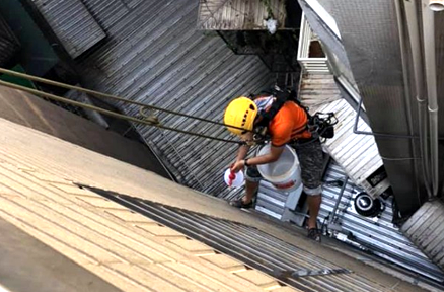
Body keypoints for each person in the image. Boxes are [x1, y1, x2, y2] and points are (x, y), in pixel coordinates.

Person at [223, 91, 324, 241]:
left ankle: (312, 224)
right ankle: (247, 200)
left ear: (255, 120)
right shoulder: (251, 107)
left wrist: (244, 162)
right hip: (281, 136)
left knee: (312, 185)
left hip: (304, 140)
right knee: (252, 170)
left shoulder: (281, 122)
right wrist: (239, 160)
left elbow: (273, 156)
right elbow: (247, 139)